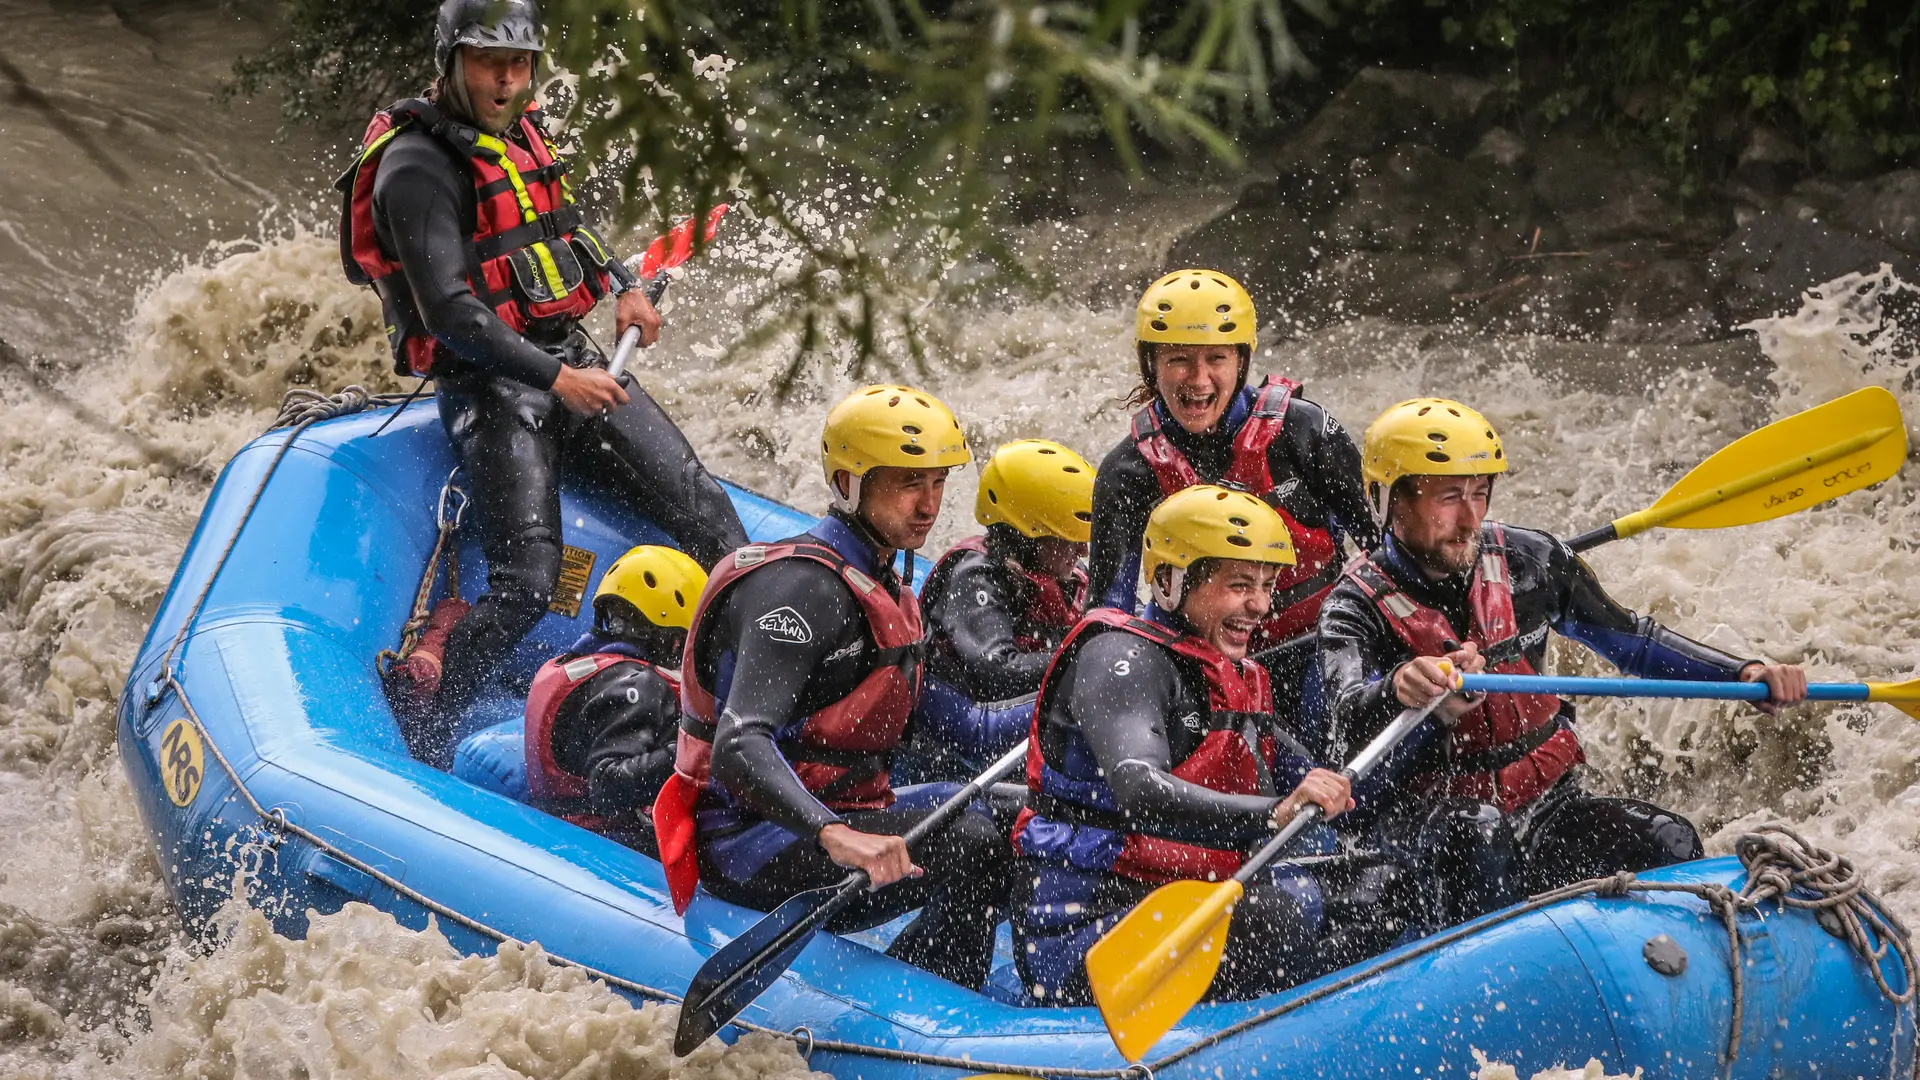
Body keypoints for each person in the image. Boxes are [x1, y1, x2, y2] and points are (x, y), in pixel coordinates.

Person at [338, 0, 747, 767]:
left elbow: (565, 226)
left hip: (571, 362)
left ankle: (738, 709)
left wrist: (624, 283)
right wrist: (560, 380)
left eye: (520, 63)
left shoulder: (520, 134)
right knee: (527, 583)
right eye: (490, 61)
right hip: (493, 388)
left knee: (709, 515)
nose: (507, 79)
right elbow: (452, 312)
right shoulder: (416, 167)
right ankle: (425, 734)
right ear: (451, 61)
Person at [1318, 397, 1808, 924]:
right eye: (1448, 497)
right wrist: (1399, 689)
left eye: (1479, 494)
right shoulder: (1353, 608)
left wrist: (1743, 672)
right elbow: (1346, 720)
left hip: (1546, 810)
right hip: (1427, 830)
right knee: (1478, 833)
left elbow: (1635, 643)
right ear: (1387, 500)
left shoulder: (1531, 562)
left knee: (1669, 838)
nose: (1469, 520)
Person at [654, 386, 1013, 990]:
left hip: (846, 813)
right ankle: (930, 1008)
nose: (928, 505)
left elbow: (935, 717)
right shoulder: (801, 590)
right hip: (754, 840)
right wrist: (834, 835)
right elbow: (740, 744)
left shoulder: (884, 582)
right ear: (850, 484)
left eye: (937, 483)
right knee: (973, 837)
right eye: (906, 483)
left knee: (1021, 813)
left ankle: (935, 977)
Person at [1011, 485, 1410, 1005]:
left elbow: (1325, 780)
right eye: (1239, 584)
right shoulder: (1118, 658)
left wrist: (1401, 693)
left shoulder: (1235, 675)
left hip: (1184, 895)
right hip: (1086, 931)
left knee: (1387, 885)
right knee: (1281, 911)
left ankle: (1322, 1016)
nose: (1261, 606)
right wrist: (1274, 814)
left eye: (1267, 585)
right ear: (1171, 582)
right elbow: (1139, 788)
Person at [1088, 270, 1377, 649]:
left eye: (1216, 358)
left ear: (1241, 362)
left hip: (1320, 646)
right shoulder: (1127, 473)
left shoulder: (1305, 431)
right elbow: (1109, 620)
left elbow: (1387, 557)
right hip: (1200, 666)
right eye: (1178, 359)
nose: (1199, 379)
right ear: (1151, 366)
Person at [906, 439, 1094, 780]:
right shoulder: (975, 573)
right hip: (961, 737)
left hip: (1007, 726)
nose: (1081, 548)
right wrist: (1087, 660)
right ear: (1028, 535)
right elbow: (997, 671)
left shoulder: (1068, 576)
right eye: (1068, 538)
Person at [514, 545, 705, 846]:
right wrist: (693, 753)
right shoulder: (641, 684)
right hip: (597, 839)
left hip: (554, 819)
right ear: (675, 639)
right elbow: (608, 785)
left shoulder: (585, 662)